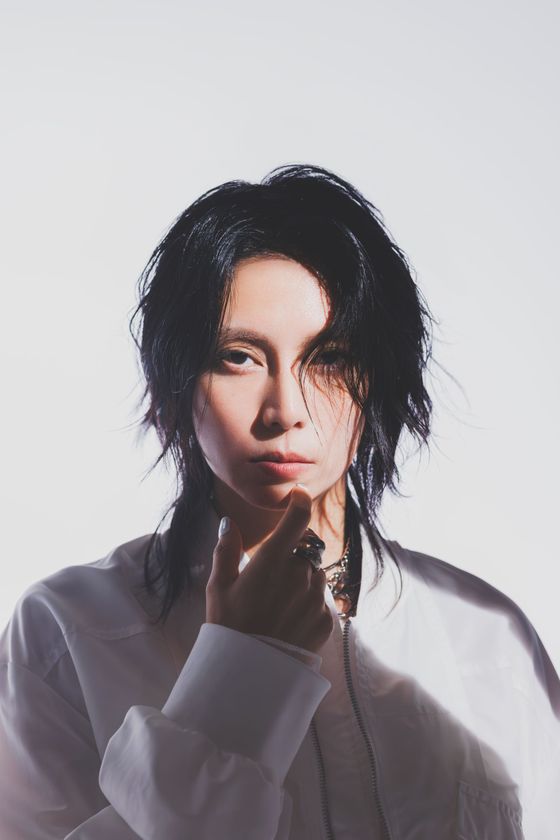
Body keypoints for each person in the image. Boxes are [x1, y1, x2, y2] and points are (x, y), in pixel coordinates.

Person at [0, 164, 558, 839]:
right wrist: (240, 673)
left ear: (377, 380)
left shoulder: (488, 639)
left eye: (330, 359)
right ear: (177, 385)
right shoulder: (70, 632)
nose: (285, 410)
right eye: (239, 357)